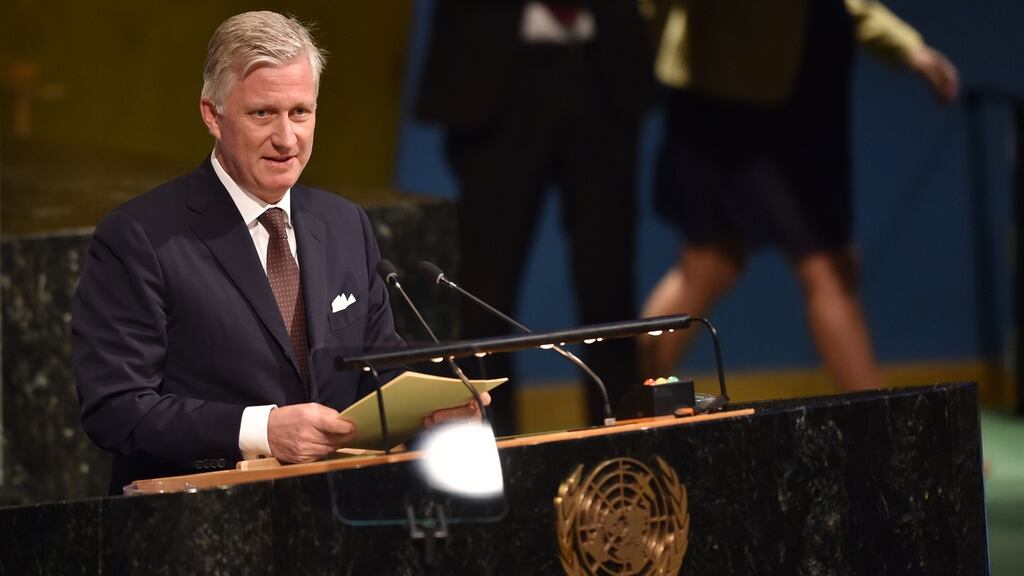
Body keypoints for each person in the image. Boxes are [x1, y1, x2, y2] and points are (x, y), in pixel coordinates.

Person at [73, 11, 485, 493]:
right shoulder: (141, 236)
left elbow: (377, 368)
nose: (287, 139)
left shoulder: (344, 224)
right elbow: (116, 409)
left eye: (300, 112)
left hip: (335, 510)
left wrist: (432, 407)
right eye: (263, 114)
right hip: (201, 517)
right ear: (212, 115)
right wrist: (261, 430)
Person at [640, 0, 959, 391]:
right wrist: (635, 49)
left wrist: (905, 45)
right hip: (734, 94)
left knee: (719, 261)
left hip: (806, 90)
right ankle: (885, 430)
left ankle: (625, 405)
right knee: (798, 265)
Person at [415, 0, 655, 434]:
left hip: (604, 72)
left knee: (610, 293)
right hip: (494, 76)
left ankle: (621, 458)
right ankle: (493, 459)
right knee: (484, 298)